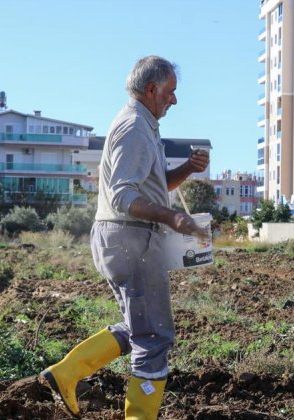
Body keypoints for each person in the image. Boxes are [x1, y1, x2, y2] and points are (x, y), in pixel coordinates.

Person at [40, 55, 209, 419]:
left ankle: (67, 373)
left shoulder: (145, 126)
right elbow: (122, 195)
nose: (174, 100)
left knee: (138, 325)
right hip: (130, 238)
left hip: (121, 238)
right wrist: (172, 216)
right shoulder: (134, 127)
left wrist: (186, 171)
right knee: (153, 337)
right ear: (151, 89)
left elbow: (153, 187)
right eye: (170, 92)